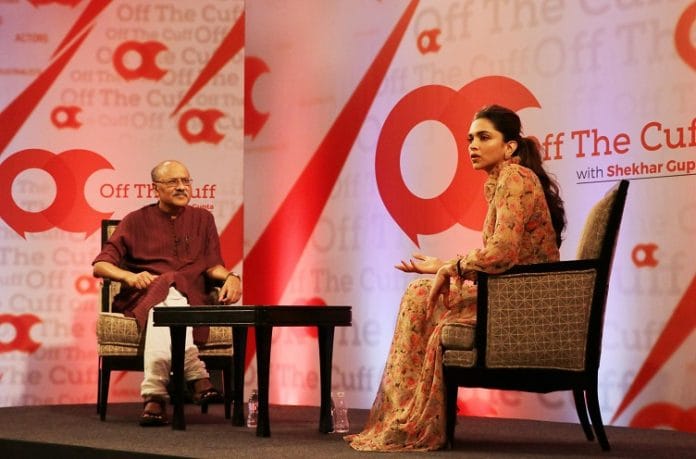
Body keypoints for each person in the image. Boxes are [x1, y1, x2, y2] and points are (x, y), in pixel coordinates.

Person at [345, 105, 566, 451]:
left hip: (523, 304)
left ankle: (411, 418)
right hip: (509, 294)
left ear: (509, 146)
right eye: (470, 139)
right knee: (420, 292)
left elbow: (502, 253)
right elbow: (500, 255)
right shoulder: (503, 181)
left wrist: (452, 267)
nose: (473, 145)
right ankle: (410, 415)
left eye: (484, 137)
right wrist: (444, 266)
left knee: (419, 296)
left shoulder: (515, 177)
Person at [92, 160, 242, 427]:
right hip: (143, 296)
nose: (182, 187)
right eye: (173, 182)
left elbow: (212, 265)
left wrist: (232, 277)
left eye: (186, 181)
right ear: (156, 189)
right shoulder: (135, 220)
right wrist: (129, 276)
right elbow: (100, 265)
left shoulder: (203, 219)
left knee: (170, 294)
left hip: (192, 297)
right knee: (168, 287)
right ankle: (196, 375)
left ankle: (155, 396)